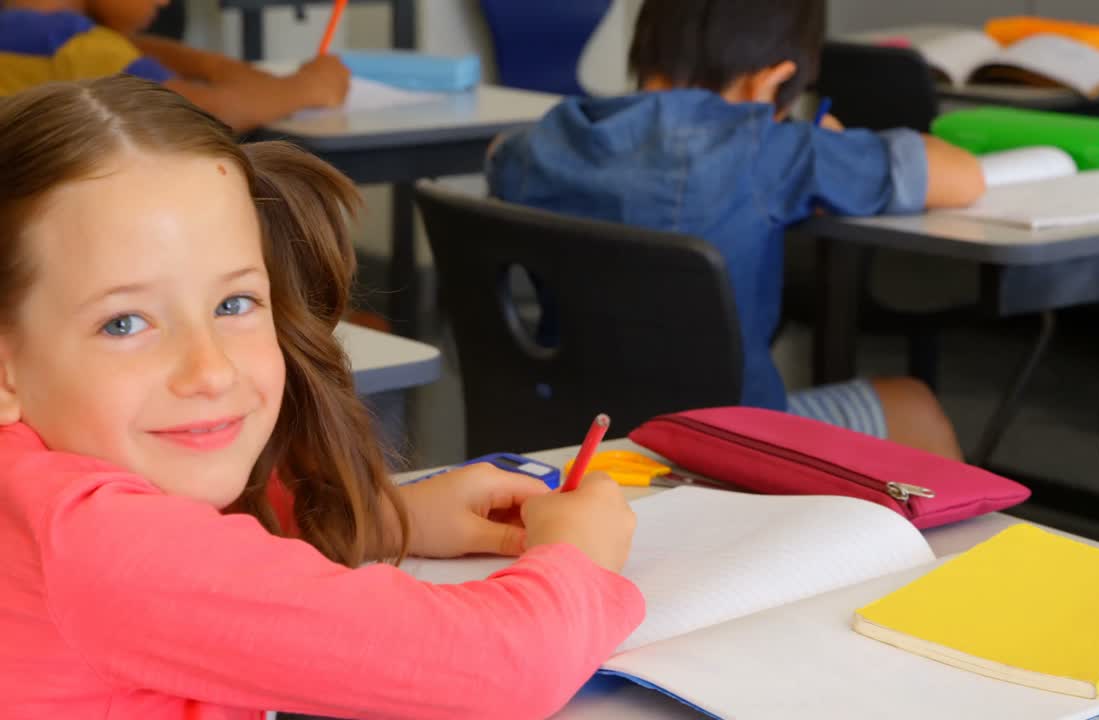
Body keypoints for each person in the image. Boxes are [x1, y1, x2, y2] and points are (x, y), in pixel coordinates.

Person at [0, 75, 642, 719]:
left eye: (234, 303)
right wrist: (578, 558)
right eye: (125, 323)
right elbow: (501, 668)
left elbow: (210, 556)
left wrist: (390, 519)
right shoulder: (101, 548)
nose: (209, 370)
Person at [487, 0, 986, 461]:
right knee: (913, 406)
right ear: (770, 83)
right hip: (724, 445)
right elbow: (962, 177)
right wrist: (827, 143)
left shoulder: (543, 143)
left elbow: (498, 153)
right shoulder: (769, 149)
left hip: (568, 436)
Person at [0, 0, 348, 128]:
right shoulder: (77, 46)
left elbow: (125, 46)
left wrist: (211, 65)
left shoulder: (28, 34)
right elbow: (198, 114)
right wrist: (307, 88)